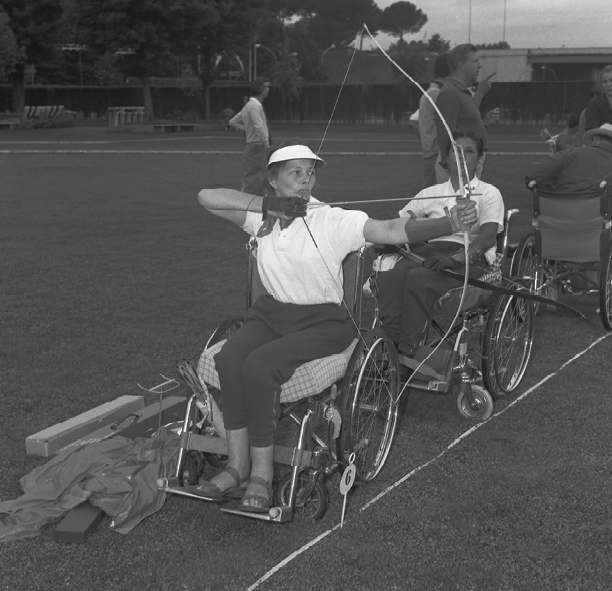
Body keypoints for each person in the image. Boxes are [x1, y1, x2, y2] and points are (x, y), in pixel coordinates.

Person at [195, 142, 478, 512]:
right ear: (273, 179)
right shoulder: (260, 218)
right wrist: (268, 206)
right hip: (269, 316)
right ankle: (237, 466)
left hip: (325, 322)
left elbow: (391, 229)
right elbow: (206, 197)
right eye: (295, 173)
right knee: (230, 358)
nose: (305, 182)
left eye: (310, 173)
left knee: (259, 366)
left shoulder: (331, 218)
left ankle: (260, 476)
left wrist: (450, 223)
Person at [377, 130, 504, 361]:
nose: (462, 156)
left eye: (470, 151)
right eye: (456, 151)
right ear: (445, 159)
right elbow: (399, 222)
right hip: (428, 256)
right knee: (393, 276)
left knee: (418, 279)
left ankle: (408, 352)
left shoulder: (489, 192)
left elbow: (488, 236)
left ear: (480, 159)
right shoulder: (430, 193)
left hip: (470, 260)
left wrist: (458, 257)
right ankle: (387, 345)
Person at [434, 45, 499, 184]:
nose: (479, 66)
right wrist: (450, 165)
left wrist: (484, 123)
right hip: (460, 166)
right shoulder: (450, 92)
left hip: (467, 161)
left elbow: (465, 123)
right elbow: (445, 133)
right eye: (475, 61)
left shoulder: (461, 91)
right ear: (462, 65)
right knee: (460, 204)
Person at [527, 123, 612, 193]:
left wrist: (552, 193)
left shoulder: (570, 154)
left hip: (560, 210)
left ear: (595, 138)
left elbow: (535, 176)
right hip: (600, 212)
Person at [229, 77, 271, 196]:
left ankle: (261, 205)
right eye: (266, 88)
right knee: (253, 179)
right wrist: (266, 143)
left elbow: (233, 122)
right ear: (262, 91)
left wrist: (248, 129)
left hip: (253, 146)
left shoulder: (250, 105)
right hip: (256, 146)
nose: (267, 90)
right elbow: (259, 126)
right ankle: (245, 205)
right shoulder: (254, 106)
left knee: (259, 177)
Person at [418, 53, 450, 189]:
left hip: (435, 153)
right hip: (435, 154)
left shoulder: (433, 93)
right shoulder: (435, 94)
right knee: (432, 200)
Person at [584, 65, 612, 132]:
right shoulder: (594, 104)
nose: (608, 84)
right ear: (601, 84)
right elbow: (591, 133)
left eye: (611, 80)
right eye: (605, 82)